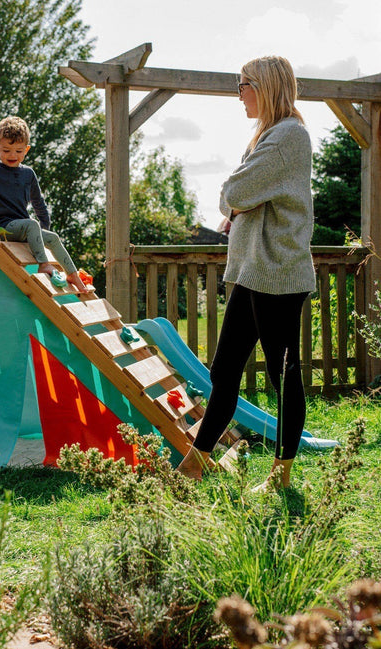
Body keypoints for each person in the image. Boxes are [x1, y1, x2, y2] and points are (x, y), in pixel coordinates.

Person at [176, 56, 316, 490]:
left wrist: (239, 200)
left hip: (276, 272)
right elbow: (241, 197)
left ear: (266, 86)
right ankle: (194, 462)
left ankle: (282, 476)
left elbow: (234, 192)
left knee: (282, 372)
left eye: (243, 86)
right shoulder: (268, 136)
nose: (239, 95)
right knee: (226, 369)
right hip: (256, 270)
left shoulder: (288, 136)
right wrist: (241, 201)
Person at [0, 116, 88, 293]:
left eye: (18, 151)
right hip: (1, 228)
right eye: (6, 150)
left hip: (22, 227)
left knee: (52, 237)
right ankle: (43, 264)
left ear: (27, 150)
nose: (13, 156)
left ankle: (72, 274)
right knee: (31, 224)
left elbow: (39, 203)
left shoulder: (28, 174)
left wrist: (41, 230)